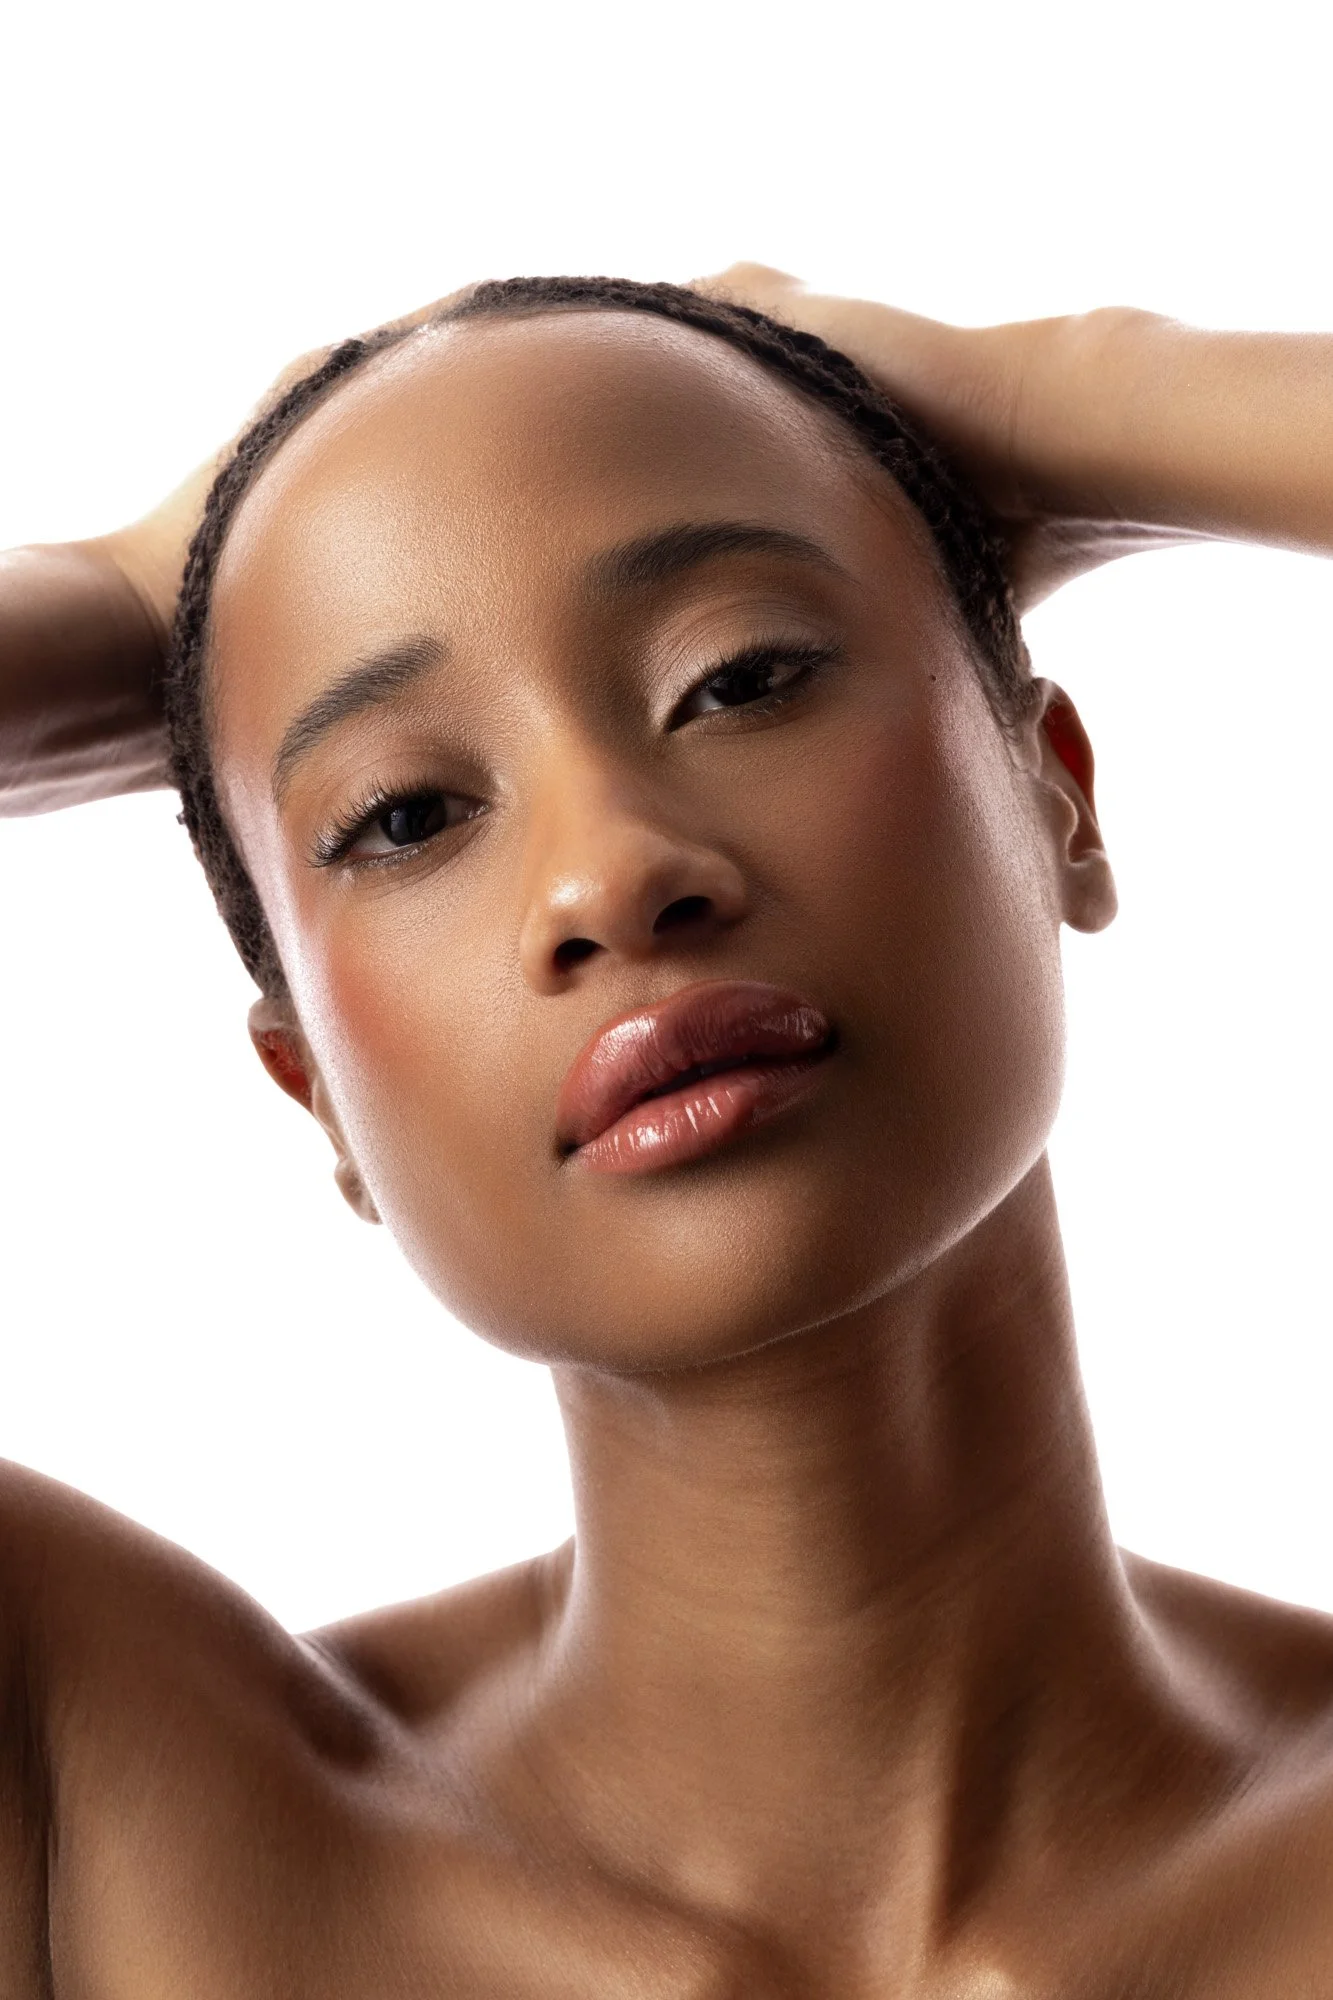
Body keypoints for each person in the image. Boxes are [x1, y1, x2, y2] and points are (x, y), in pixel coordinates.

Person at [1, 263, 1330, 1996]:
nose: (609, 874)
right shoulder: (104, 1805)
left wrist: (1057, 399)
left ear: (1054, 790)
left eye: (740, 677)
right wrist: (137, 602)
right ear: (316, 1088)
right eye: (405, 813)